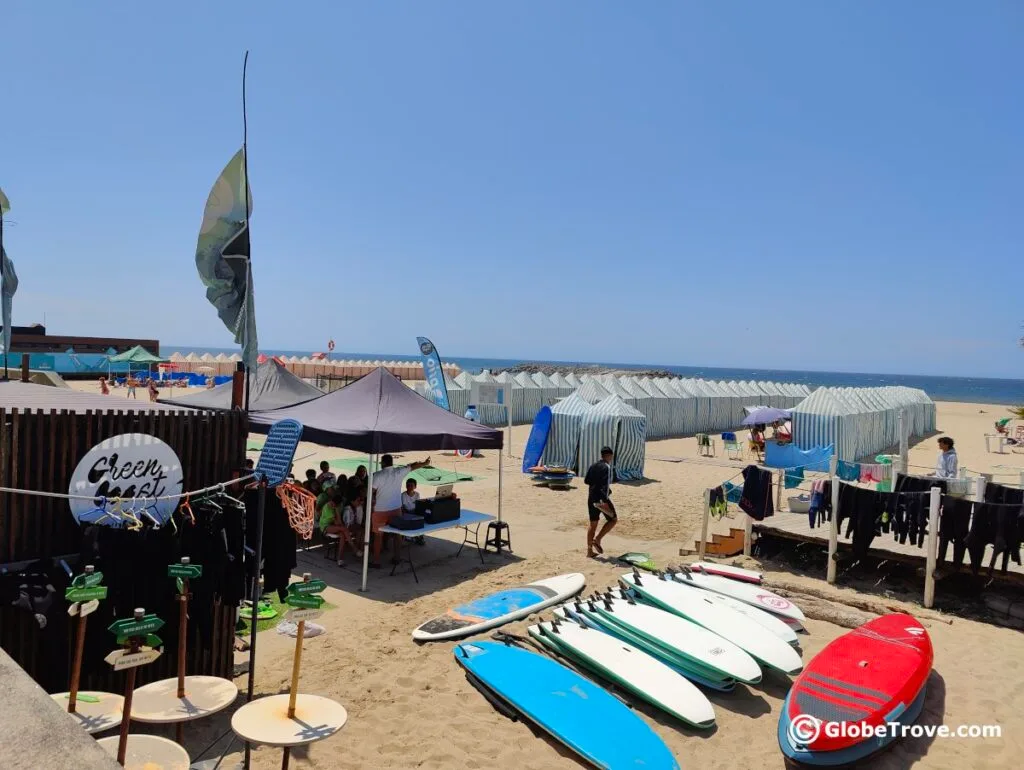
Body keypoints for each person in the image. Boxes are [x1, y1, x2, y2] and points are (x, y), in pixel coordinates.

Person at [369, 454, 431, 568]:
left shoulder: (377, 475)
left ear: (382, 463)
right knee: (397, 534)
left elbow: (370, 493)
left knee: (378, 536)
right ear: (391, 462)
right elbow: (413, 466)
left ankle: (376, 561)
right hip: (396, 508)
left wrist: (372, 503)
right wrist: (425, 463)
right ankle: (397, 557)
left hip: (380, 509)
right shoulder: (399, 471)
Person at [583, 446, 618, 559]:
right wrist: (605, 501)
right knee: (613, 519)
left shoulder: (593, 465)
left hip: (591, 498)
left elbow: (586, 480)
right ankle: (597, 539)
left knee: (593, 524)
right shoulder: (606, 467)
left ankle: (589, 551)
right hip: (601, 499)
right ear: (609, 455)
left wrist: (596, 485)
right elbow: (604, 486)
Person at [318, 489, 361, 566]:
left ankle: (340, 558)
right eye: (332, 503)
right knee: (344, 529)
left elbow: (339, 523)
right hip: (325, 527)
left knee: (342, 535)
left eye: (335, 505)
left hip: (334, 526)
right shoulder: (327, 508)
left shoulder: (337, 507)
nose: (333, 505)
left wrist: (337, 510)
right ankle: (354, 548)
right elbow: (338, 523)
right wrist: (336, 511)